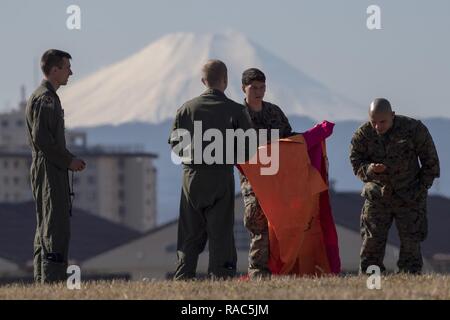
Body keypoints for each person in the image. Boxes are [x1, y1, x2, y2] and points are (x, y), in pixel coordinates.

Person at [169, 60, 254, 280]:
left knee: (189, 233)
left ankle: (183, 276)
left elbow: (176, 147)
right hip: (220, 176)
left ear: (203, 81)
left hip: (192, 178)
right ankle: (221, 277)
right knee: (221, 233)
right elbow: (249, 149)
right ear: (225, 81)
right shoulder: (237, 111)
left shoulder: (186, 109)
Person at [350, 98, 440, 274]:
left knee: (411, 246)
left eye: (382, 122)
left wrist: (420, 189)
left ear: (393, 115)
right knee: (371, 246)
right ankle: (371, 286)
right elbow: (356, 163)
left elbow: (431, 163)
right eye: (373, 122)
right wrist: (369, 169)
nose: (377, 127)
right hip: (377, 196)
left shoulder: (413, 129)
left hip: (409, 197)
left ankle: (409, 287)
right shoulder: (362, 135)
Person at [25, 49, 86, 283]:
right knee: (55, 228)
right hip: (49, 169)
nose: (71, 72)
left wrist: (68, 159)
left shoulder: (45, 96)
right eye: (67, 67)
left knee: (46, 227)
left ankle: (44, 282)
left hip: (49, 167)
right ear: (54, 70)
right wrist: (68, 161)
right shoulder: (46, 99)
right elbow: (42, 140)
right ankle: (52, 282)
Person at [238, 68, 294, 279]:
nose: (259, 92)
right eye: (254, 88)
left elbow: (290, 140)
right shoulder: (237, 116)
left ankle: (281, 268)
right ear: (244, 88)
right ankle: (258, 272)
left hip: (277, 179)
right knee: (257, 222)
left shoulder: (274, 112)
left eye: (262, 87)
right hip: (252, 180)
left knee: (281, 226)